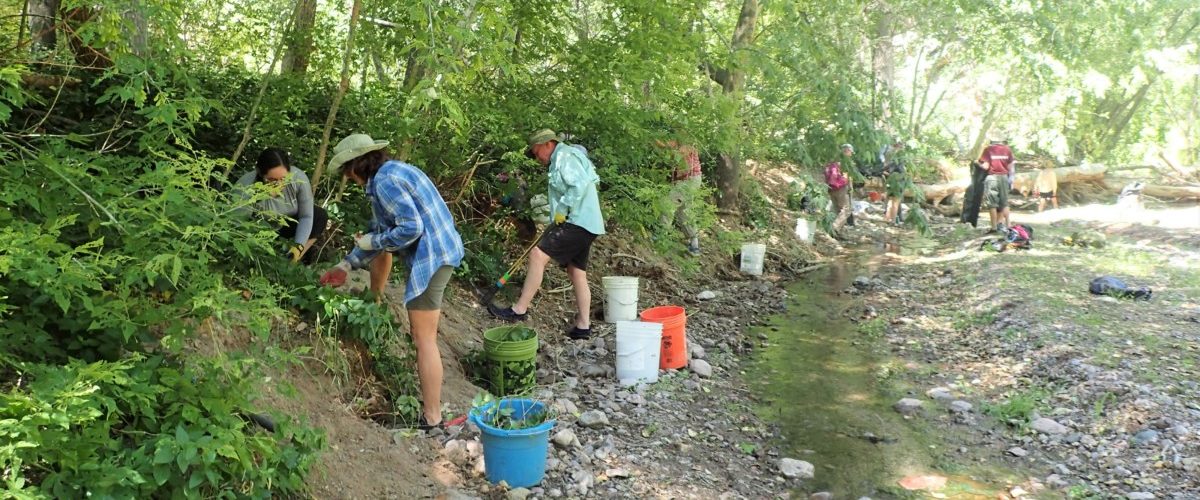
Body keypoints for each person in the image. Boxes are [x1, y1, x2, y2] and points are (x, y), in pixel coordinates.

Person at [317, 133, 465, 430]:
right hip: (444, 249)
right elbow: (379, 233)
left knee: (424, 339)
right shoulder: (393, 172)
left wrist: (378, 240)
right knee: (425, 338)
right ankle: (433, 415)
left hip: (432, 257)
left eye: (347, 172)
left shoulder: (384, 182)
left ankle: (433, 420)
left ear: (356, 165)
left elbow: (410, 227)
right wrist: (346, 264)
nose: (349, 179)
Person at [489, 129, 605, 340]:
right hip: (587, 223)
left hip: (577, 221)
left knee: (537, 256)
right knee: (576, 272)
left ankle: (519, 310)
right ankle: (583, 326)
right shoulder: (561, 158)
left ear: (548, 144)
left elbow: (578, 186)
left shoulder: (565, 156)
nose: (536, 157)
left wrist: (562, 208)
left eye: (536, 152)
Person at [235, 148, 327, 263]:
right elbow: (238, 226)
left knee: (319, 215)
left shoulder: (298, 179)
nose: (278, 185)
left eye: (283, 179)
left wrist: (298, 246)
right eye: (272, 180)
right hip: (259, 231)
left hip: (286, 226)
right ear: (260, 173)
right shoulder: (245, 187)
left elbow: (306, 216)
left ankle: (293, 260)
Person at [657, 138, 702, 255]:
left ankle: (661, 236)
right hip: (687, 180)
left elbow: (678, 152)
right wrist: (652, 138)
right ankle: (694, 244)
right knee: (684, 211)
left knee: (668, 203)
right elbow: (665, 145)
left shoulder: (689, 143)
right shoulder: (677, 140)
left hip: (689, 180)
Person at [977, 139, 1014, 230]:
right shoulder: (1007, 150)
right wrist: (1011, 180)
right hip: (1004, 177)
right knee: (1004, 203)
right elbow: (1010, 168)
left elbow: (985, 167)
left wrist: (977, 163)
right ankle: (1008, 224)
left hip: (992, 178)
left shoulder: (988, 150)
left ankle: (994, 227)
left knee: (992, 204)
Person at [879, 140, 907, 224]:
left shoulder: (890, 159)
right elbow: (900, 172)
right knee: (895, 202)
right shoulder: (898, 160)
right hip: (897, 183)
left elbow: (883, 170)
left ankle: (887, 219)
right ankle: (893, 220)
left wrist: (885, 173)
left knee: (890, 201)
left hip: (890, 182)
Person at [824, 159, 852, 236]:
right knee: (846, 209)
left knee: (837, 210)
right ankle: (834, 227)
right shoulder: (843, 164)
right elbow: (845, 178)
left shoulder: (829, 164)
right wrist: (847, 184)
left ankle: (836, 232)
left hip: (831, 188)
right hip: (840, 188)